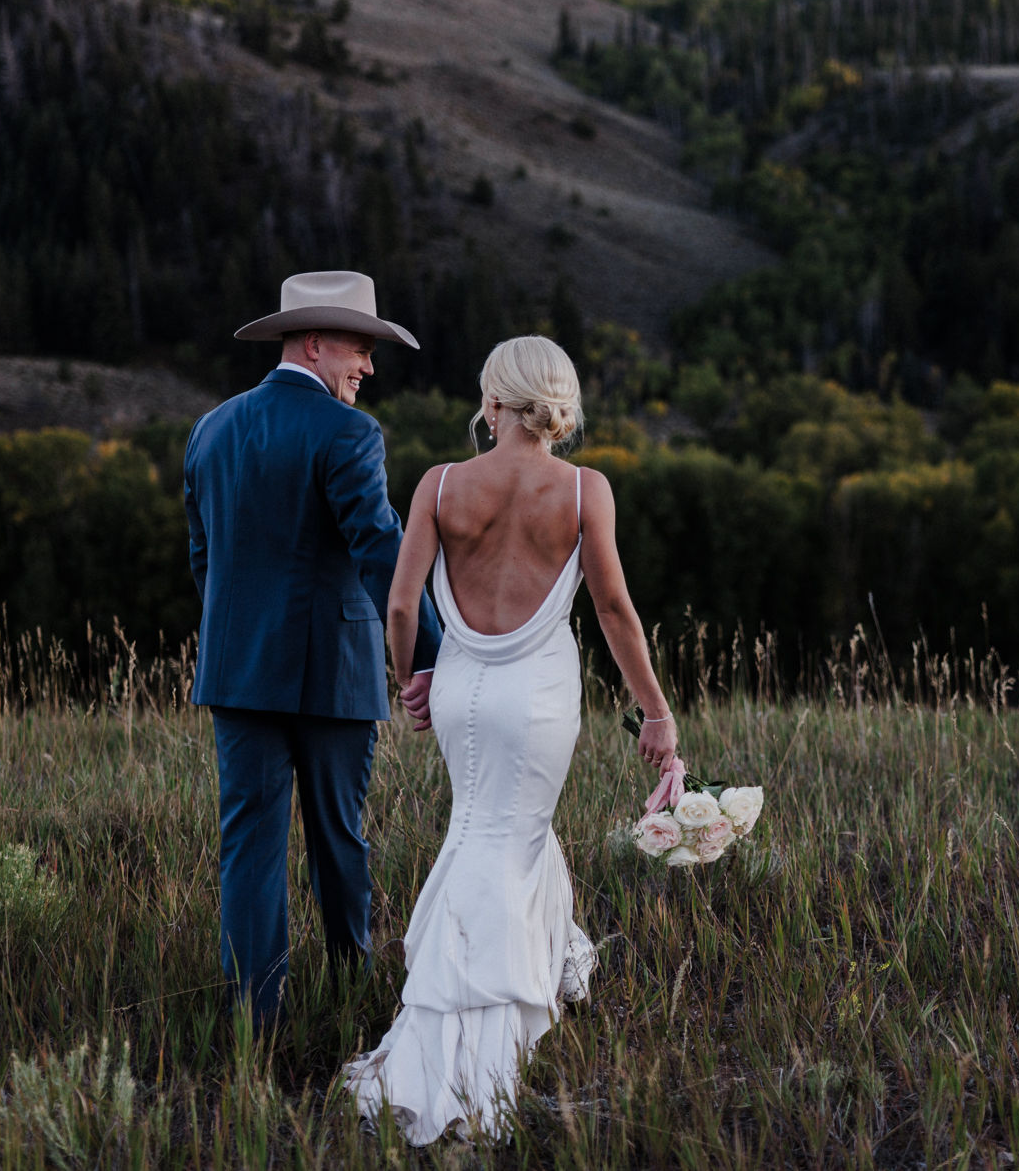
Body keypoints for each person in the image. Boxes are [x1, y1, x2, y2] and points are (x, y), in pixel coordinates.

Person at [344, 335, 677, 1144]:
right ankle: (471, 1052)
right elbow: (613, 612)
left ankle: (549, 974)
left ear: (494, 403)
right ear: (554, 405)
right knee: (510, 836)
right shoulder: (584, 489)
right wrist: (657, 713)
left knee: (486, 832)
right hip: (536, 698)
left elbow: (398, 604)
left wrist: (413, 676)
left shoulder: (441, 484)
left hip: (459, 687)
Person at [183, 270, 445, 1029]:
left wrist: (240, 634)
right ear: (318, 343)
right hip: (335, 670)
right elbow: (380, 550)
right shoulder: (349, 433)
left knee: (249, 848)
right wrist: (432, 653)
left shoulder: (211, 429)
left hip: (237, 671)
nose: (368, 367)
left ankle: (254, 1019)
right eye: (361, 350)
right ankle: (352, 989)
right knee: (339, 836)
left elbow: (204, 560)